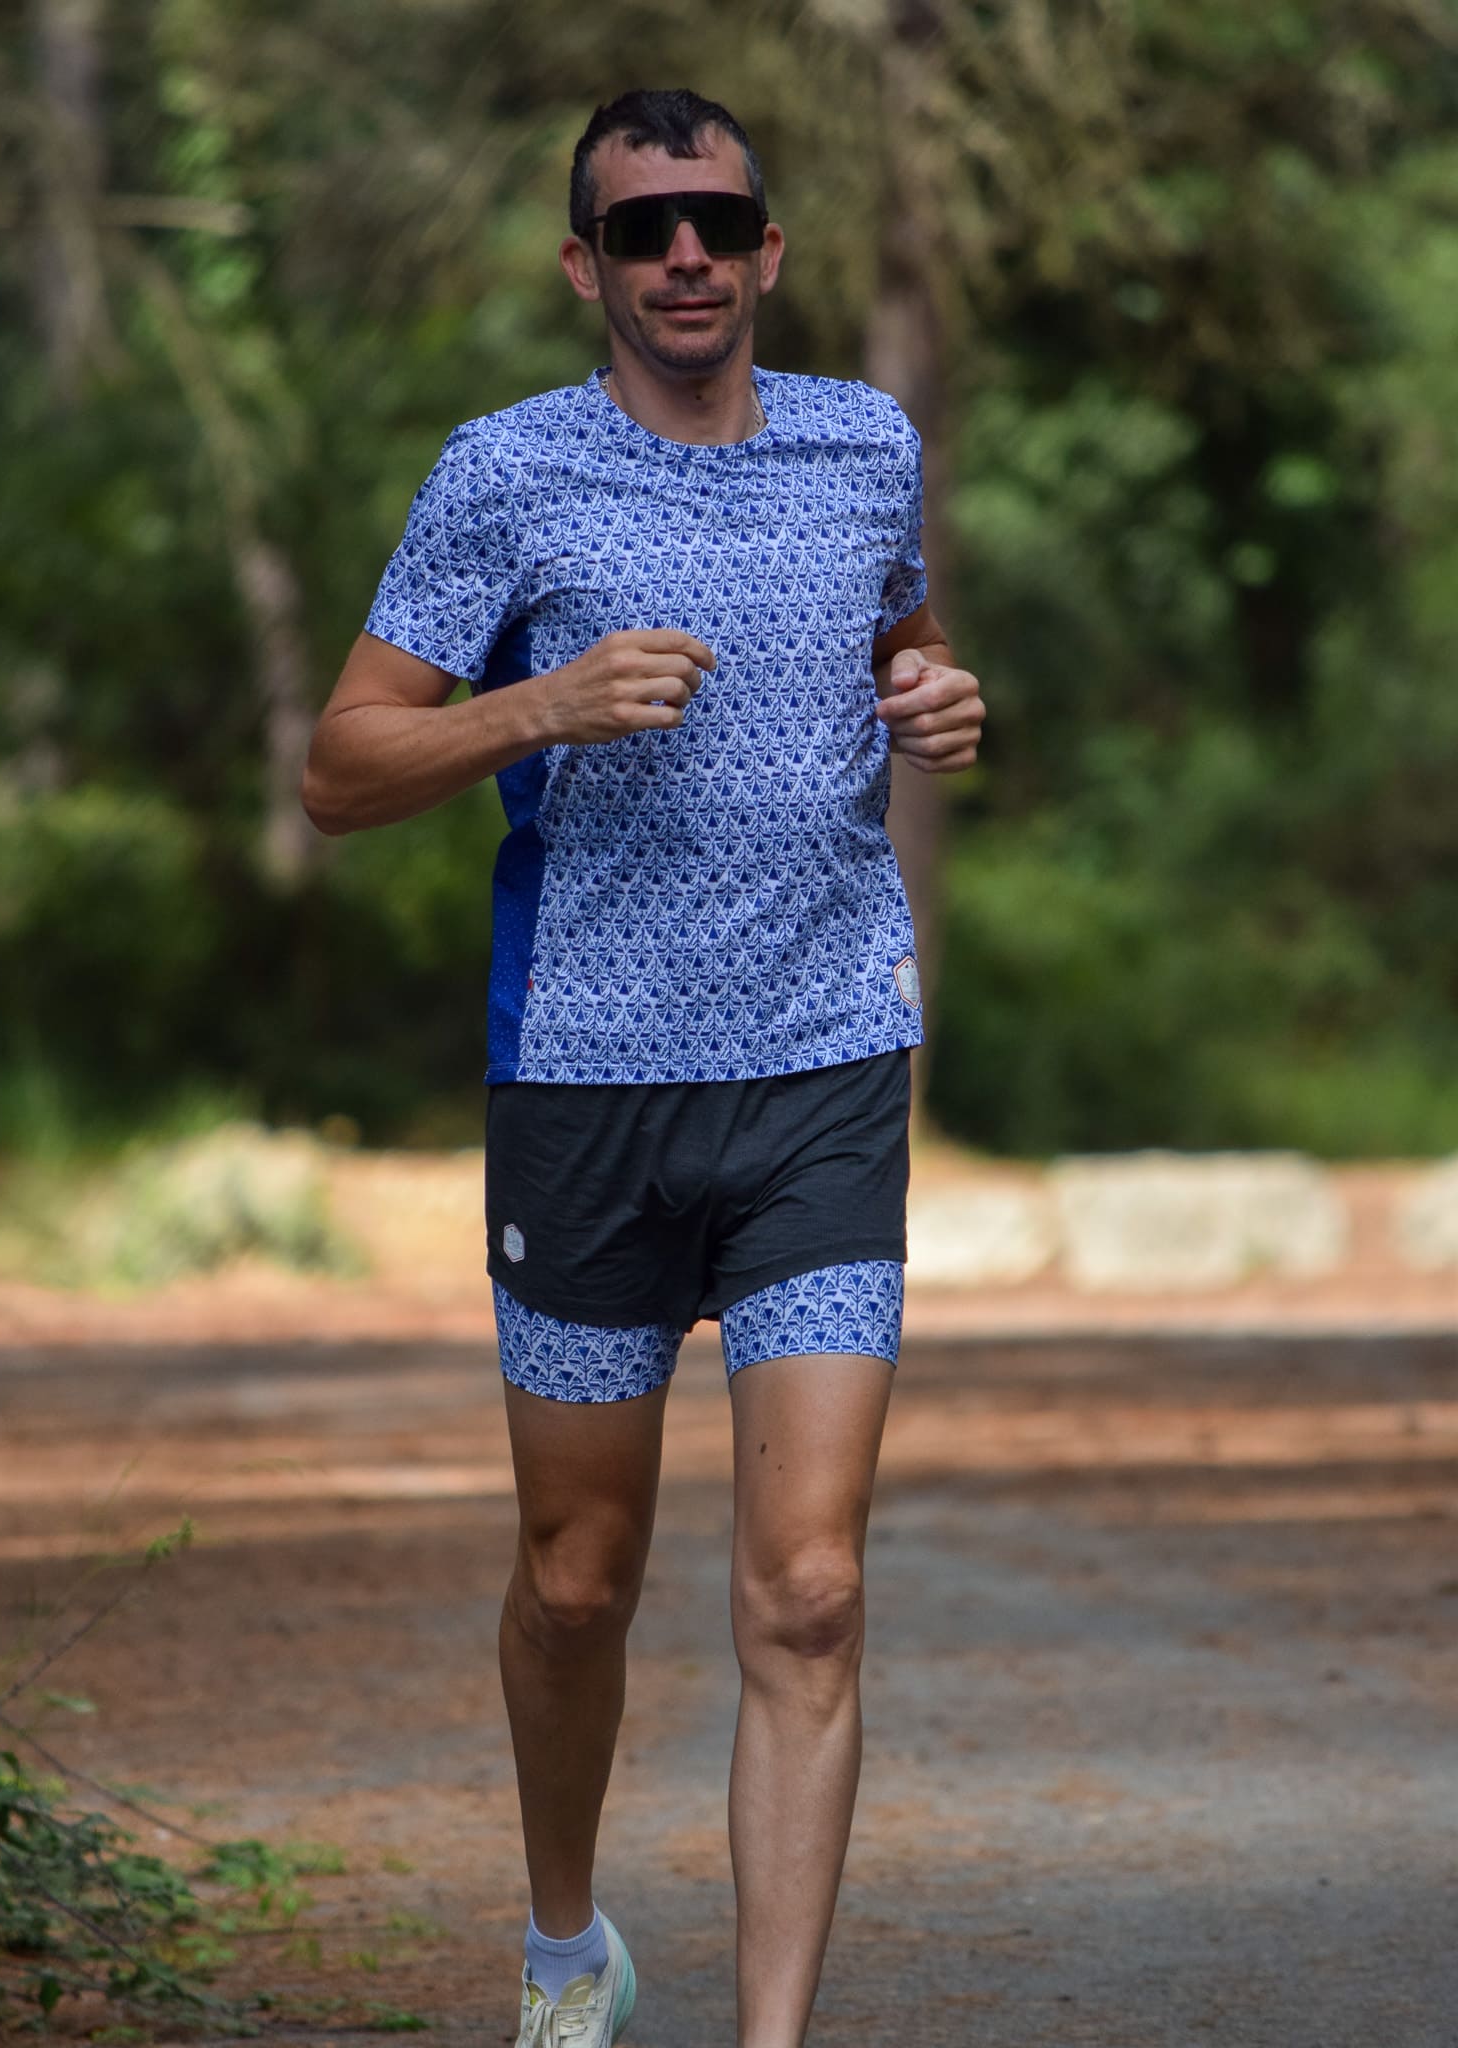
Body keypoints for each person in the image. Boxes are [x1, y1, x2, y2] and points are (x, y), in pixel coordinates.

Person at [302, 85, 984, 2048]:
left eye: (720, 220)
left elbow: (902, 649)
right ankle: (565, 1941)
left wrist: (934, 698)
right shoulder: (503, 475)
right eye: (644, 227)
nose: (686, 253)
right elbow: (344, 766)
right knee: (580, 1578)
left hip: (825, 1070)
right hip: (587, 1085)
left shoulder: (868, 444)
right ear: (585, 264)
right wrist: (542, 701)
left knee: (813, 1586)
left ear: (767, 251)